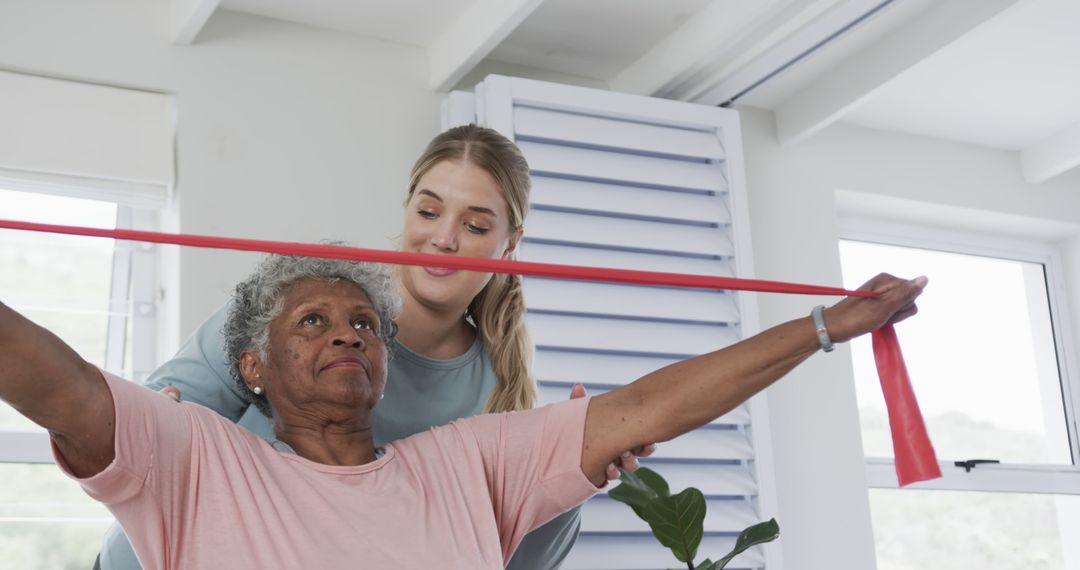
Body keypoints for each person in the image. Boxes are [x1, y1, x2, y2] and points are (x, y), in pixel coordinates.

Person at [0, 252, 925, 568]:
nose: (349, 334)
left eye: (364, 323)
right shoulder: (194, 457)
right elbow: (63, 383)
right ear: (251, 364)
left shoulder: (465, 463)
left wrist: (826, 325)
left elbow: (645, 407)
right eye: (313, 322)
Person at [96, 125, 651, 570]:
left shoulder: (497, 390)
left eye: (476, 225)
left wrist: (580, 468)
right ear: (407, 209)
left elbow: (512, 556)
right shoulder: (302, 304)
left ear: (510, 244)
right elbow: (155, 420)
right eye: (429, 212)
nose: (444, 239)